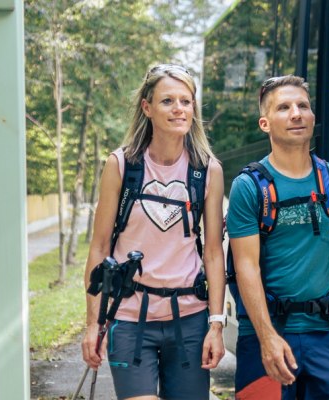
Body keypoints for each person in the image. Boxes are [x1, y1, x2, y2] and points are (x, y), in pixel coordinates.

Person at [80, 63, 228, 400]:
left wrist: (216, 324)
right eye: (167, 101)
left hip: (189, 320)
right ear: (147, 108)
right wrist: (93, 323)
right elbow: (100, 246)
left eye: (186, 101)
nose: (179, 109)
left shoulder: (207, 170)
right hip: (130, 318)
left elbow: (214, 253)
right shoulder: (122, 165)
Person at [228, 75, 329, 399]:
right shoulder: (249, 186)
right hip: (265, 333)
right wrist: (266, 338)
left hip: (323, 334)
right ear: (265, 123)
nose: (296, 114)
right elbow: (246, 267)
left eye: (303, 106)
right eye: (284, 108)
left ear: (313, 117)